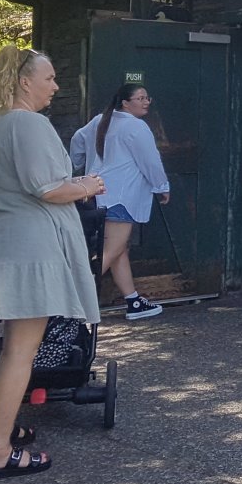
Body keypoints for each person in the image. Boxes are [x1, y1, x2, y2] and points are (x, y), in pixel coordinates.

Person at [0, 46, 105, 480]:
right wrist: (87, 185)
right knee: (20, 352)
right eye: (48, 78)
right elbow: (47, 188)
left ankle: (3, 431)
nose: (55, 86)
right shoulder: (29, 123)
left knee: (13, 348)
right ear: (25, 81)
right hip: (32, 249)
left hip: (1, 240)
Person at [70, 83, 171, 320]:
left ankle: (133, 300)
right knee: (112, 249)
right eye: (140, 98)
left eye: (148, 97)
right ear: (126, 102)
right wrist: (162, 186)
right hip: (121, 198)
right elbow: (150, 161)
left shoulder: (99, 121)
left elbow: (77, 140)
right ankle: (71, 303)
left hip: (97, 193)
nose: (146, 102)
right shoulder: (137, 127)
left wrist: (78, 166)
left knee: (119, 250)